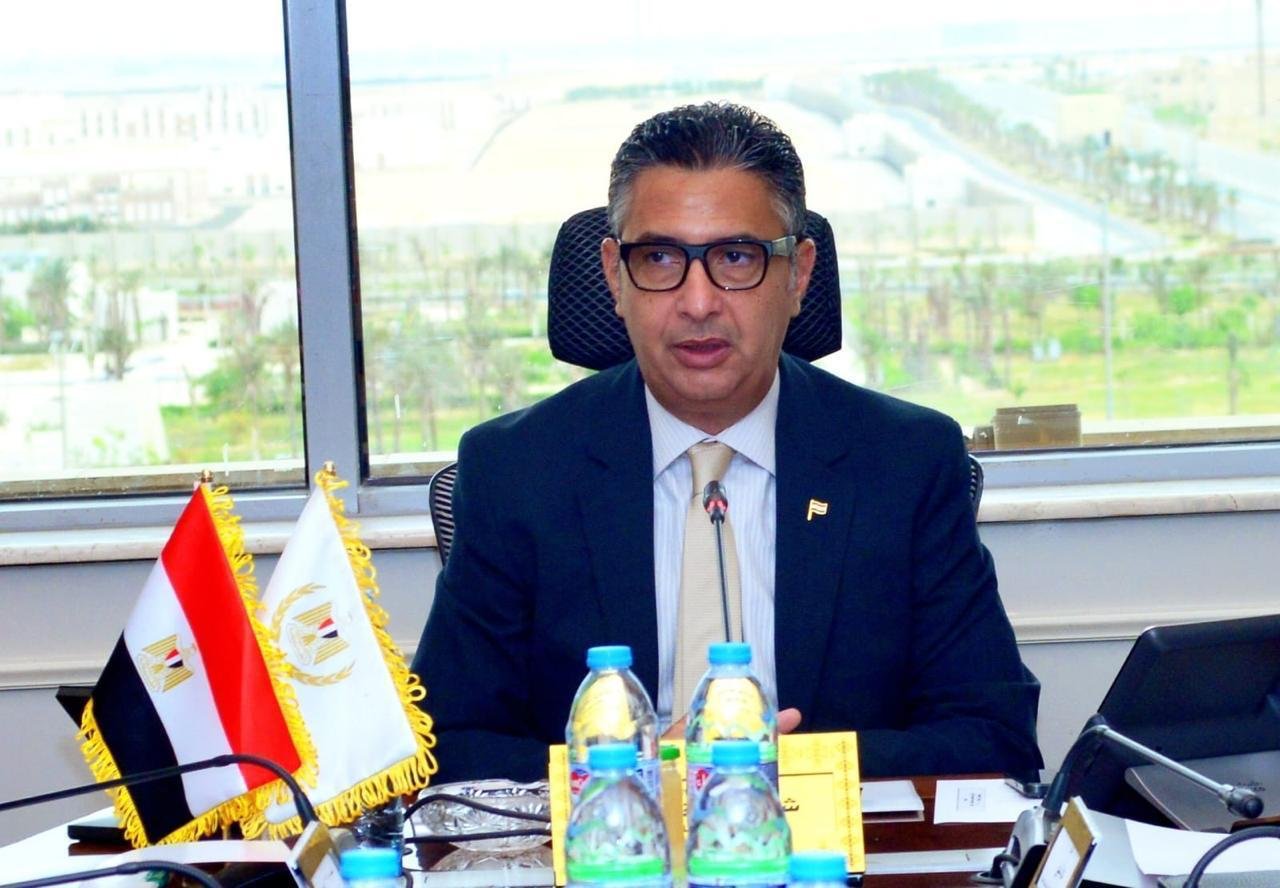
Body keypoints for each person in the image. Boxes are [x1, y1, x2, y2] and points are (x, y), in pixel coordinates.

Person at [411, 102, 1042, 784]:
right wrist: (640, 768)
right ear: (615, 275)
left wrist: (782, 767)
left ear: (799, 274)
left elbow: (992, 739)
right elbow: (446, 748)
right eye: (659, 258)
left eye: (736, 257)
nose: (698, 302)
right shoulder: (518, 472)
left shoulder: (905, 462)